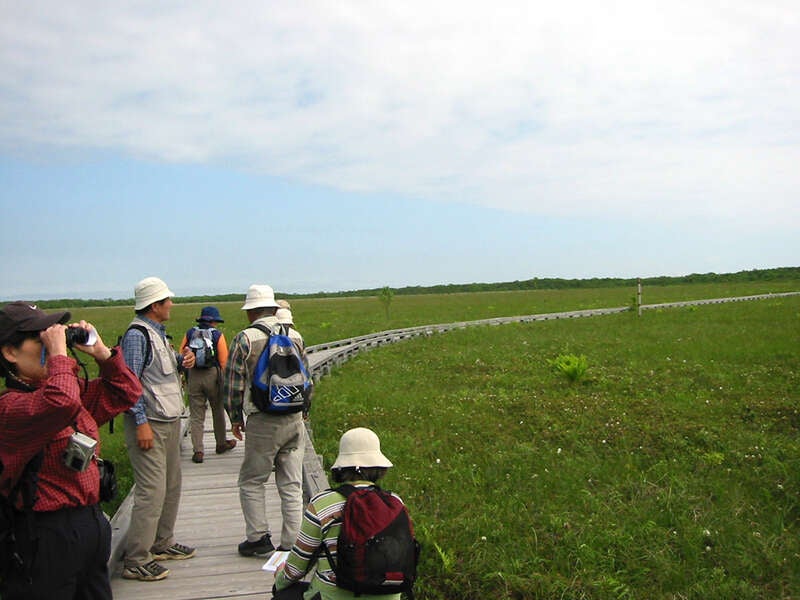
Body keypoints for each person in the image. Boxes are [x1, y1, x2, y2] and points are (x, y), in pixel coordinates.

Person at [0, 301, 142, 600]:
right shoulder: (11, 408)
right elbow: (61, 401)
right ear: (9, 352)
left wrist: (103, 354)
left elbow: (125, 392)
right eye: (41, 341)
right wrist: (59, 357)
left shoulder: (63, 391)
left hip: (88, 524)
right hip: (44, 536)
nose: (52, 347)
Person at [120, 277, 197, 582]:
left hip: (168, 420)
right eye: (167, 301)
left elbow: (156, 368)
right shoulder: (137, 335)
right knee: (152, 491)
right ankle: (136, 558)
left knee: (172, 486)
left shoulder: (157, 334)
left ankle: (161, 543)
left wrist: (183, 360)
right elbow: (130, 383)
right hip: (150, 423)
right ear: (154, 305)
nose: (171, 305)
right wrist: (140, 424)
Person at [223, 284, 308, 557]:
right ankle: (292, 542)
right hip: (294, 417)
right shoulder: (294, 335)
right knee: (291, 482)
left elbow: (233, 383)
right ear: (274, 308)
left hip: (263, 420)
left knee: (252, 480)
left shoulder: (245, 338)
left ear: (251, 312)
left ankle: (258, 538)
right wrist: (303, 410)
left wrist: (235, 417)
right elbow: (307, 377)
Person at [273, 427, 405, 600]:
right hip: (387, 594)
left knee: (283, 595)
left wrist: (279, 578)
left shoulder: (323, 503)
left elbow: (297, 569)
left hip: (333, 596)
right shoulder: (395, 502)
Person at [178, 306, 235, 464]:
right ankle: (221, 443)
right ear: (214, 321)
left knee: (196, 415)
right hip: (213, 376)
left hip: (194, 375)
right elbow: (224, 360)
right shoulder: (217, 335)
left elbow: (181, 352)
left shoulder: (190, 333)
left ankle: (198, 450)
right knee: (217, 410)